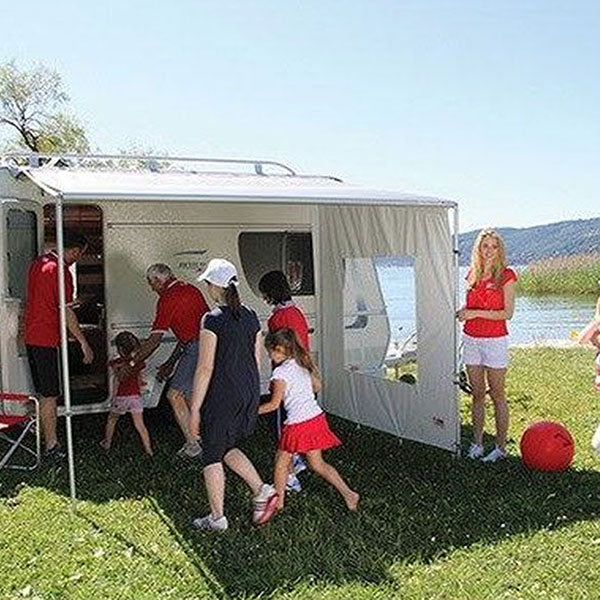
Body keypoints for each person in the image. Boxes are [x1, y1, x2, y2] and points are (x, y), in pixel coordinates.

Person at [189, 258, 278, 532]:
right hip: (248, 390)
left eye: (207, 283)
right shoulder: (251, 316)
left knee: (211, 455)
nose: (207, 288)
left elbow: (205, 368)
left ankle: (217, 518)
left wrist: (195, 409)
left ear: (215, 286)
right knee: (226, 446)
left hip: (223, 394)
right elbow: (256, 360)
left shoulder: (212, 319)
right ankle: (262, 490)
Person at [259, 328, 359, 513]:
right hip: (315, 418)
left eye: (270, 352)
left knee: (281, 463)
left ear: (279, 349)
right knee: (317, 464)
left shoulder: (280, 373)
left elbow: (273, 405)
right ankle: (349, 494)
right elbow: (317, 387)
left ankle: (278, 505)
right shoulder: (301, 364)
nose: (269, 356)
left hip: (298, 424)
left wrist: (250, 412)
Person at [24, 231, 94, 460]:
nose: (78, 259)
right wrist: (83, 342)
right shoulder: (61, 271)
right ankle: (52, 445)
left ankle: (42, 433)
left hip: (32, 335)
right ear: (74, 251)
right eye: (80, 254)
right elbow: (66, 312)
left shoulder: (39, 263)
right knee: (50, 394)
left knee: (43, 391)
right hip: (47, 338)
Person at [131, 264, 210, 458]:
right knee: (190, 396)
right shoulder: (190, 289)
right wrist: (170, 363)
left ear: (159, 281)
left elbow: (155, 341)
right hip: (205, 345)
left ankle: (193, 446)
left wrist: (132, 363)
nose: (152, 288)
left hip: (196, 348)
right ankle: (205, 440)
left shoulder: (167, 298)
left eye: (151, 284)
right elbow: (188, 336)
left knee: (174, 395)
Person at [457, 228, 517, 463]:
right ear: (478, 249)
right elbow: (471, 305)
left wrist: (474, 313)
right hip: (471, 339)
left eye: (494, 246)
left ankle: (500, 448)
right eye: (485, 246)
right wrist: (464, 312)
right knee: (477, 394)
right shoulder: (472, 274)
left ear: (499, 250)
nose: (489, 250)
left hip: (495, 341)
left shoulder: (507, 275)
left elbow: (507, 313)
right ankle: (477, 443)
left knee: (498, 394)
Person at [258, 270, 310, 489]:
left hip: (285, 381)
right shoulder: (296, 312)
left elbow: (281, 350)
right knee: (294, 423)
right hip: (301, 377)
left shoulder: (278, 318)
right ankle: (296, 460)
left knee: (281, 429)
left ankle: (289, 478)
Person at [100, 331, 152, 455]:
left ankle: (107, 444)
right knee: (140, 425)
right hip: (136, 397)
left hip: (121, 397)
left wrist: (113, 397)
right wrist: (141, 384)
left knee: (112, 419)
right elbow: (139, 378)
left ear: (119, 349)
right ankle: (149, 450)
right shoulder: (138, 363)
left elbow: (117, 380)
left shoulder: (116, 363)